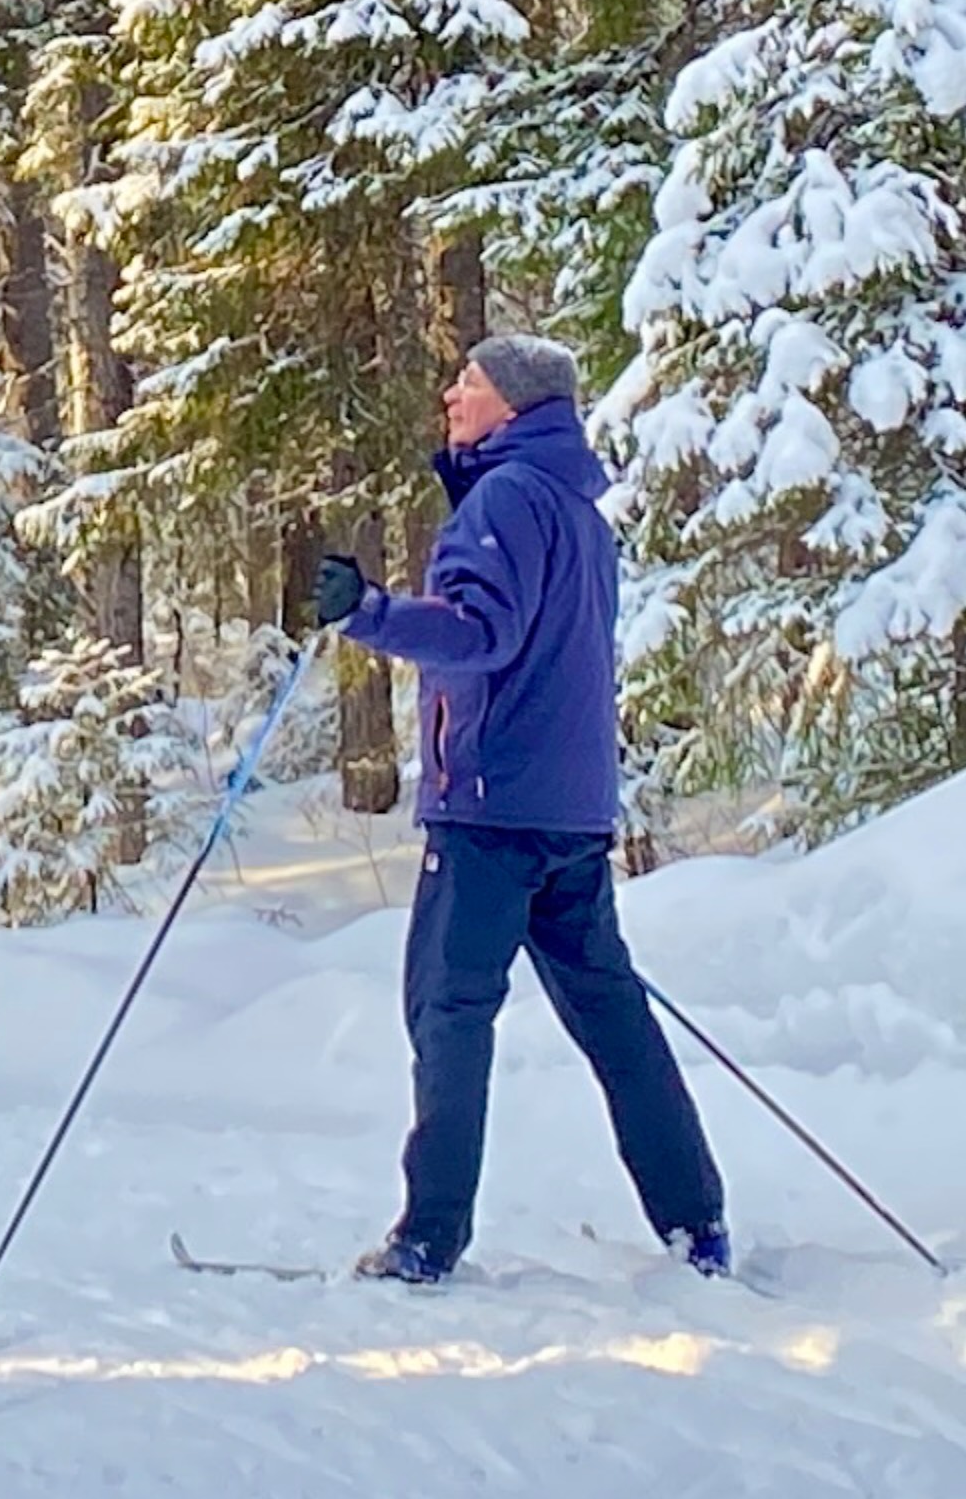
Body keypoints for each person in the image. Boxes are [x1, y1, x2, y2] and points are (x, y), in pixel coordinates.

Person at [315, 332, 726, 1284]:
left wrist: (367, 611)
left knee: (447, 1010)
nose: (452, 393)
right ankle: (696, 1220)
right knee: (611, 1015)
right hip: (569, 811)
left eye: (470, 380)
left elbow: (479, 633)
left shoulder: (506, 496)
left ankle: (428, 1238)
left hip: (491, 809)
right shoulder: (578, 509)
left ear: (514, 402)